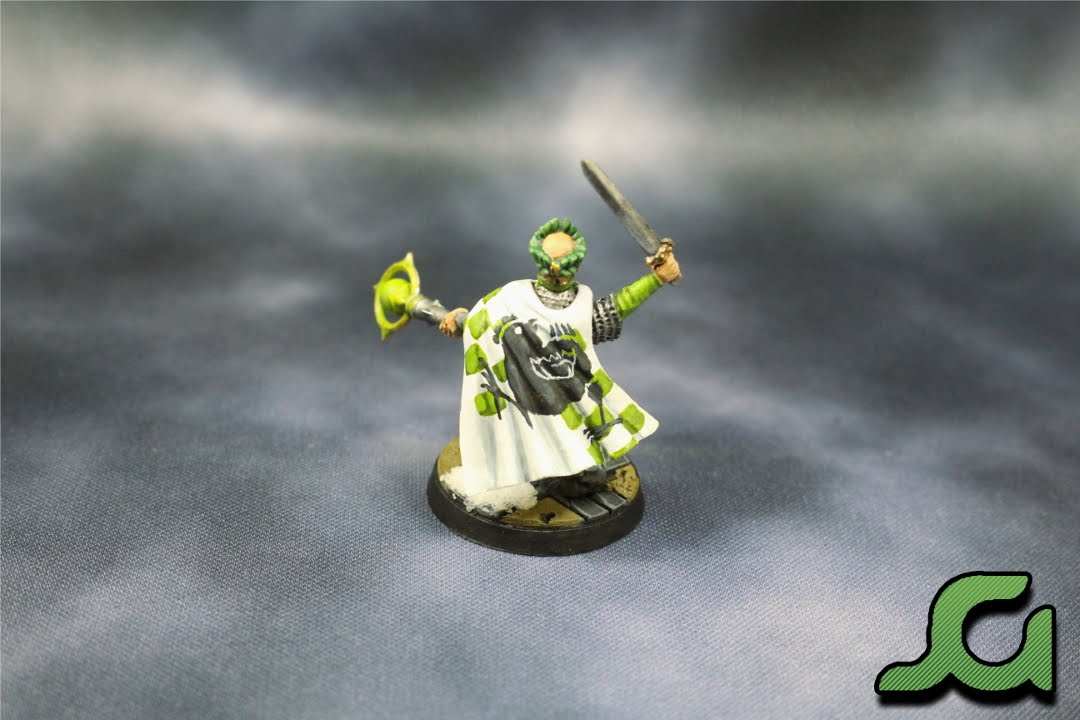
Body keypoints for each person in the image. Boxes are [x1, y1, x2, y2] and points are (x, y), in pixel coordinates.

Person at [435, 218, 680, 515]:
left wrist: (655, 280)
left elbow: (613, 310)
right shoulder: (510, 298)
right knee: (532, 442)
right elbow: (483, 323)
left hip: (567, 397)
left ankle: (570, 473)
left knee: (574, 448)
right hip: (524, 398)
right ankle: (540, 472)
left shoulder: (579, 308)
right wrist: (461, 317)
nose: (555, 269)